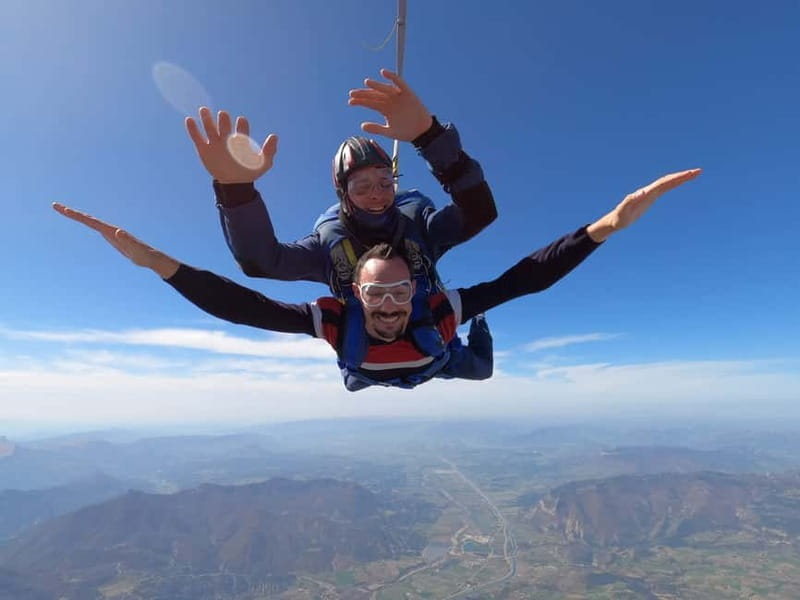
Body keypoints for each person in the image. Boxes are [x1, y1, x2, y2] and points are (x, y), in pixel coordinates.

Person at [53, 168, 700, 391]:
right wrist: (157, 264)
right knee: (419, 359)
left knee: (479, 364)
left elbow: (525, 277)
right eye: (377, 295)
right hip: (380, 370)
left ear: (414, 290)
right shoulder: (339, 321)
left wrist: (607, 225)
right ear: (353, 295)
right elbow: (245, 306)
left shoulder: (432, 307)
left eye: (398, 292)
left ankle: (480, 346)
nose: (390, 307)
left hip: (443, 360)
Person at [185, 69, 498, 389]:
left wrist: (430, 138)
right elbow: (262, 261)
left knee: (481, 368)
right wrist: (236, 192)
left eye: (385, 183)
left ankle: (480, 324)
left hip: (432, 346)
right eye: (362, 186)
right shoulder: (327, 244)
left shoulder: (418, 225)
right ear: (343, 193)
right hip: (367, 352)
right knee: (356, 378)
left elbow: (479, 213)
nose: (376, 194)